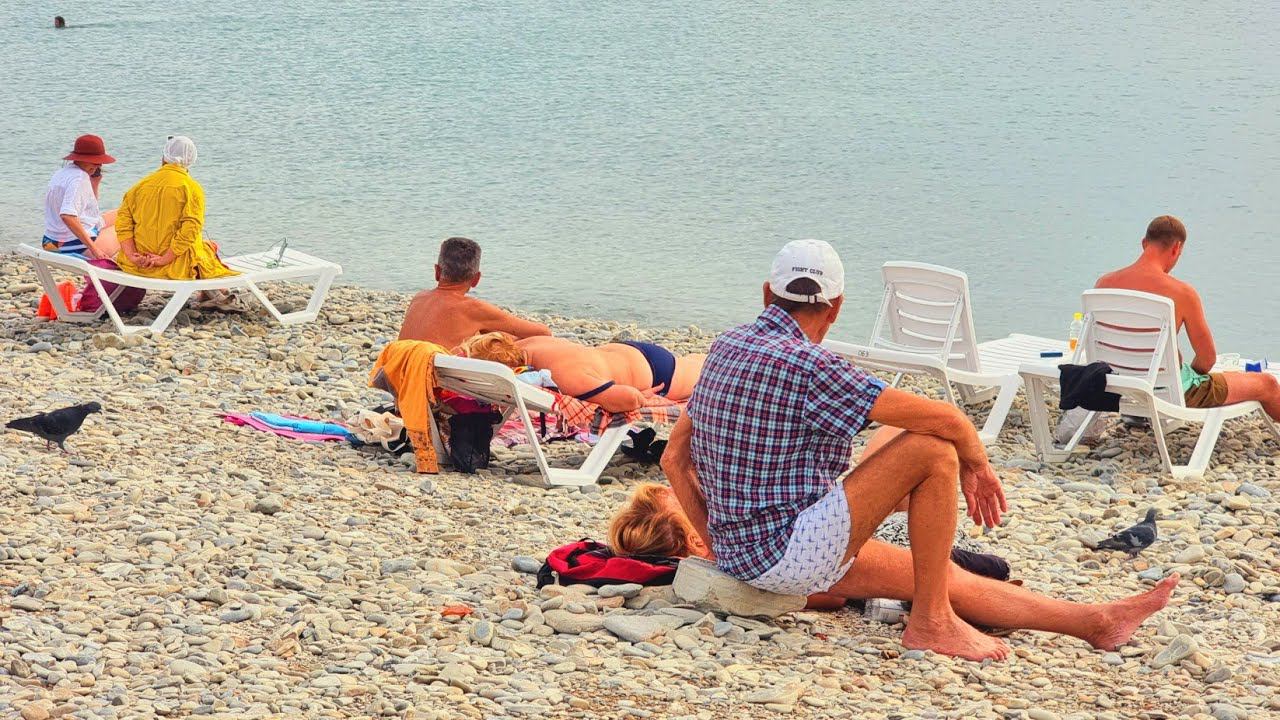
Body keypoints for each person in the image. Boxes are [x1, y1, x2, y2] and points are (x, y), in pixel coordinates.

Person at [660, 239, 1178, 661]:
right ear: (836, 307)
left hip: (748, 546)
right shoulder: (812, 366)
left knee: (931, 559)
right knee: (933, 450)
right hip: (791, 550)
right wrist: (977, 466)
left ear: (766, 294)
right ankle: (931, 622)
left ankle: (1095, 622)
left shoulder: (726, 347)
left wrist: (722, 548)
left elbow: (673, 460)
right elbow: (947, 418)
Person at [1096, 215, 1280, 421]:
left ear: (1144, 243)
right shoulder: (1182, 293)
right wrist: (1187, 376)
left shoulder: (1103, 284)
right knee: (1268, 384)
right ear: (1176, 248)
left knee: (1228, 375)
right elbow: (1207, 359)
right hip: (1168, 393)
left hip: (1118, 386)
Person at [115, 136, 238, 290]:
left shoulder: (139, 186)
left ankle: (213, 294)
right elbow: (190, 230)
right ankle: (214, 292)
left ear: (164, 157)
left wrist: (132, 255)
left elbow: (123, 223)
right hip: (174, 268)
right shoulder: (191, 188)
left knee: (204, 246)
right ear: (191, 160)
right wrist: (163, 260)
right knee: (208, 248)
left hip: (137, 265)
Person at [398, 237, 551, 349]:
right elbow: (543, 332)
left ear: (437, 272)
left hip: (397, 375)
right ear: (476, 279)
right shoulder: (474, 309)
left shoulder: (419, 298)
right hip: (435, 380)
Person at [42, 135, 119, 260]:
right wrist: (95, 250)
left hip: (50, 242)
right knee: (127, 227)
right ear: (82, 159)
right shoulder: (79, 179)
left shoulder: (62, 172)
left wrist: (94, 183)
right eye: (95, 162)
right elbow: (68, 216)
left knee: (126, 213)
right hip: (73, 245)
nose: (99, 165)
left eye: (100, 163)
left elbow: (89, 211)